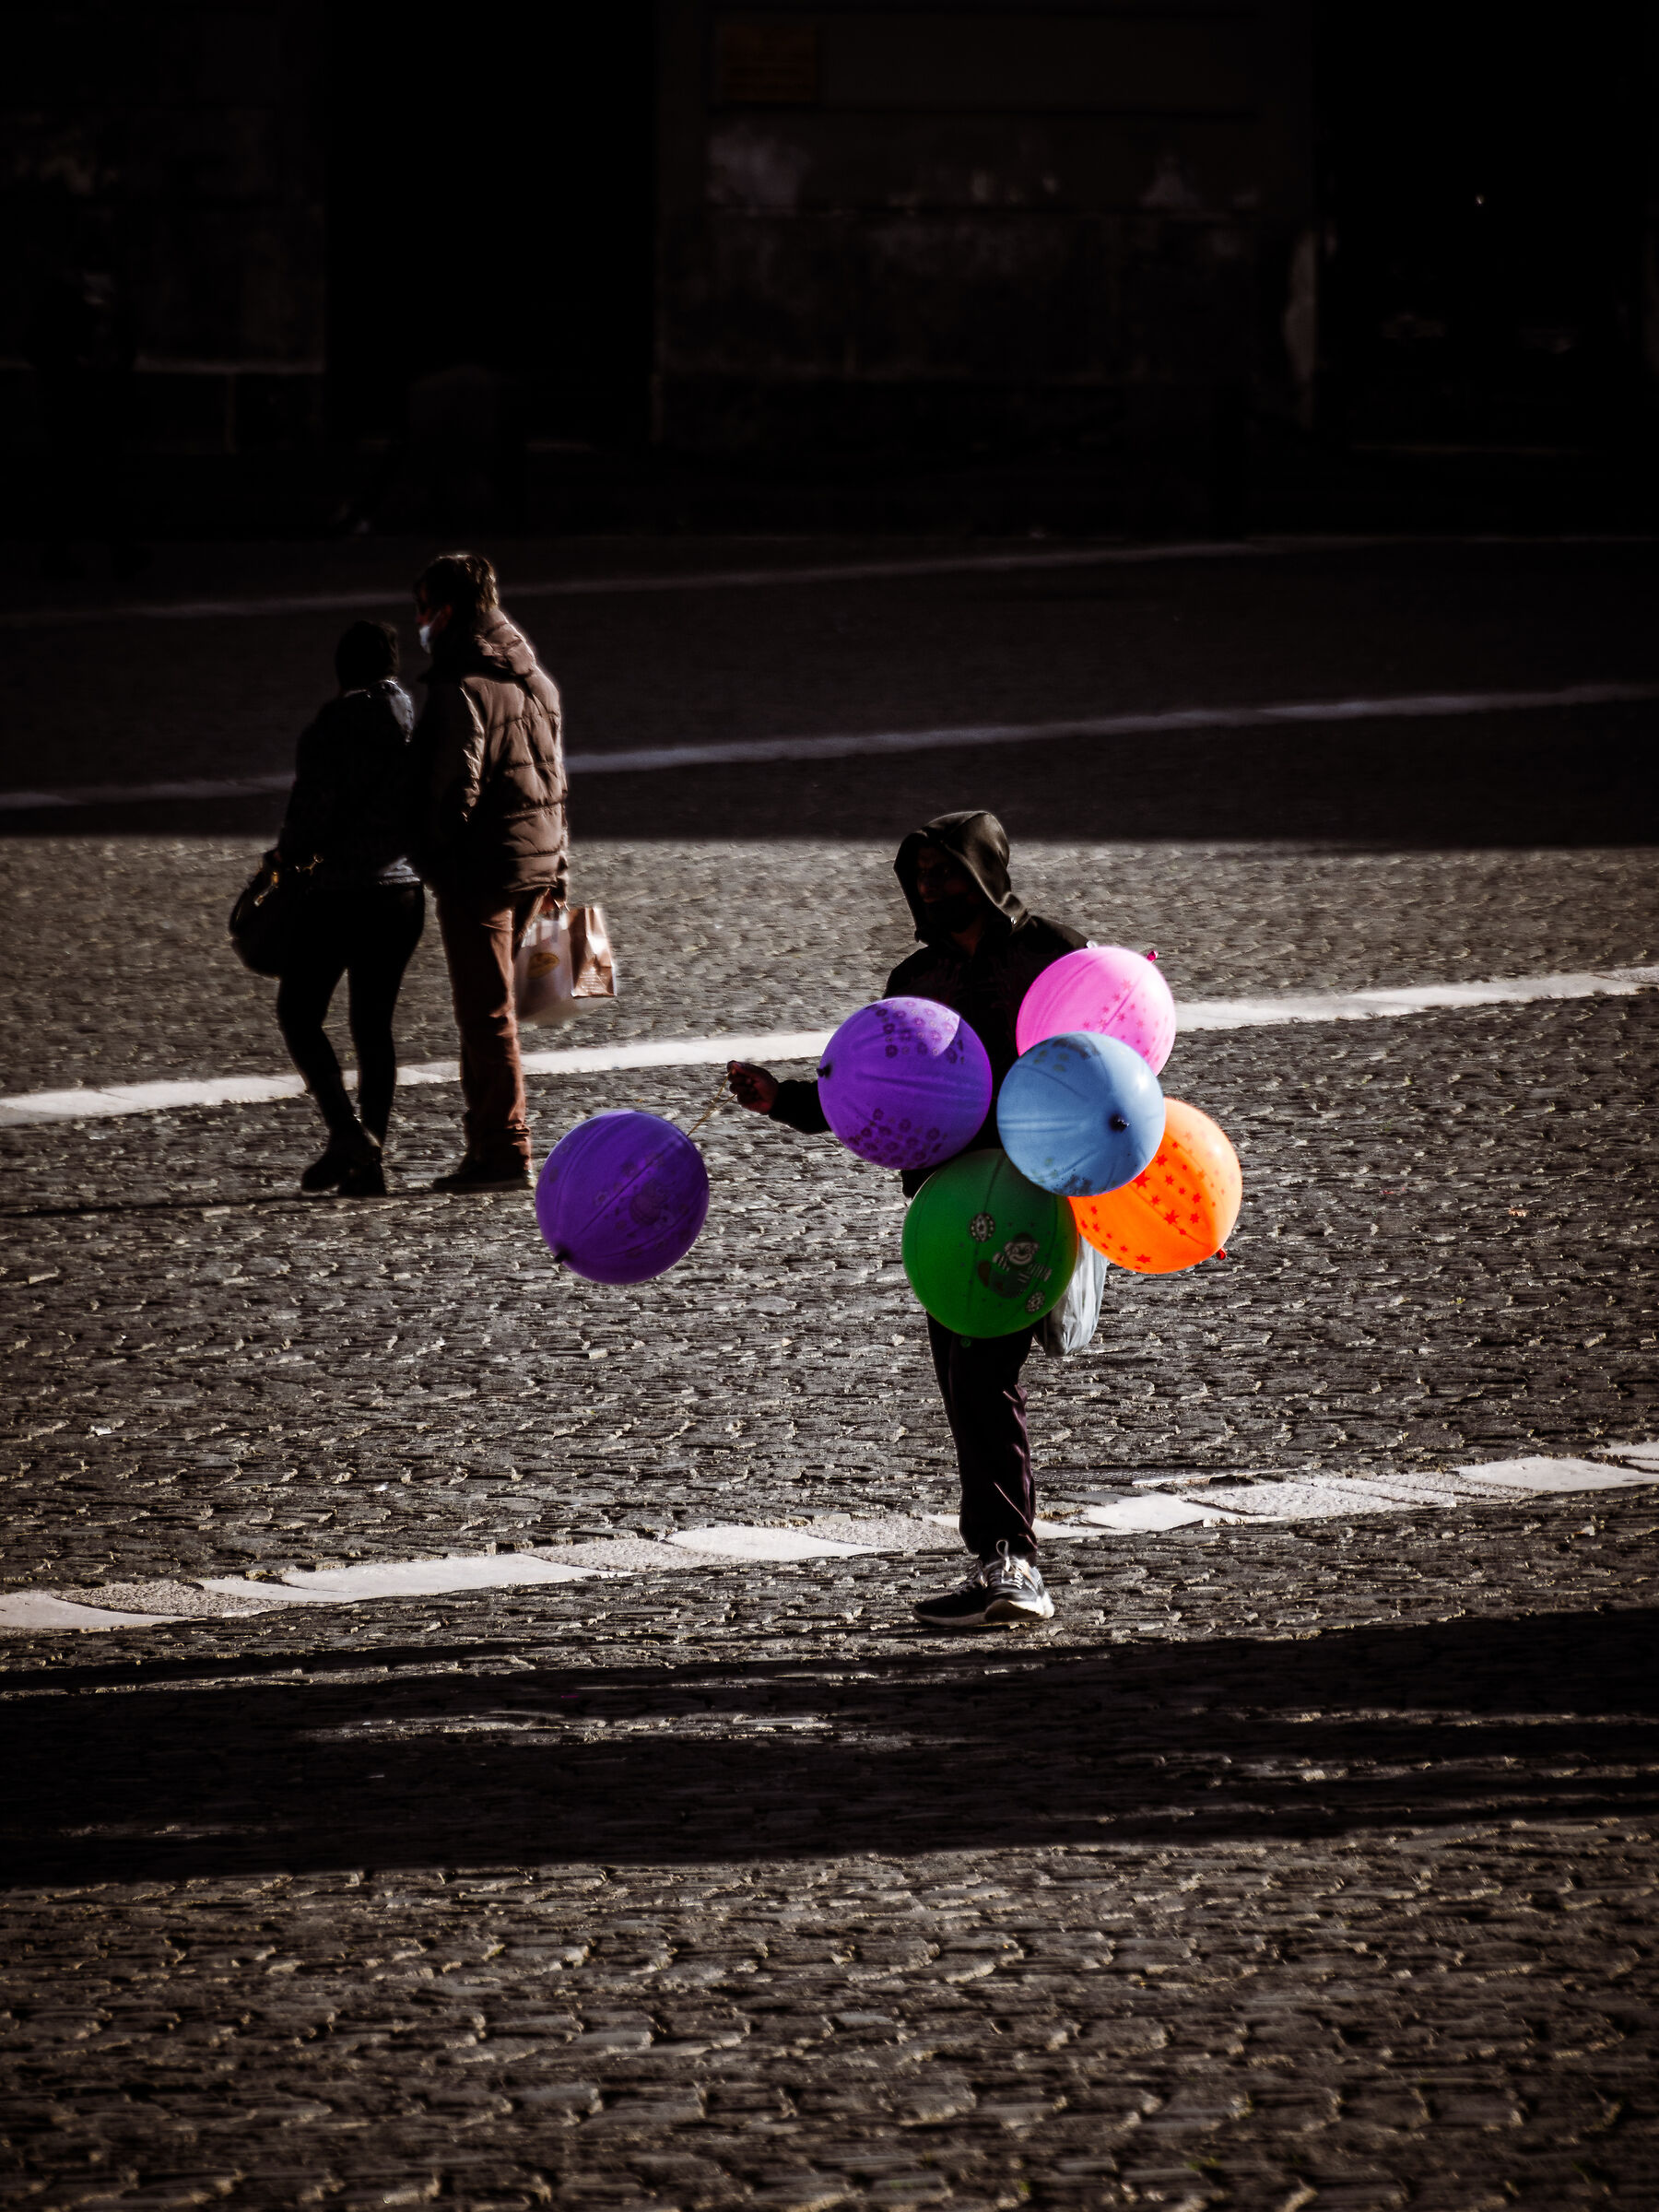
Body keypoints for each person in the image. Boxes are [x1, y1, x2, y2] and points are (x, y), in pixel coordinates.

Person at [729, 810, 1086, 1630]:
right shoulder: (914, 980)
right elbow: (882, 1095)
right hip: (948, 1207)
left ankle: (1012, 1563)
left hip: (1028, 1198)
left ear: (985, 871)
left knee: (981, 1376)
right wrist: (785, 1100)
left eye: (946, 869)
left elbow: (1108, 1060)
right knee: (964, 1381)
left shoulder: (1053, 954)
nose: (929, 885)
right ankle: (1002, 1561)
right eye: (920, 872)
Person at [408, 550, 567, 1190]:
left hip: (482, 870)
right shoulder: (536, 680)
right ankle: (486, 1142)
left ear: (446, 612)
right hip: (537, 861)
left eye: (424, 609)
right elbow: (555, 782)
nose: (420, 623)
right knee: (490, 1012)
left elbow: (454, 791)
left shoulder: (460, 689)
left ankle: (504, 1148)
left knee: (487, 1014)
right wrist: (559, 868)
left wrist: (431, 858)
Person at [275, 621, 426, 1197]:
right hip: (402, 893)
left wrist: (285, 858)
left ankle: (346, 1131)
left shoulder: (330, 728)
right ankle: (369, 1163)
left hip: (341, 893)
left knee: (298, 1012)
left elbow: (307, 821)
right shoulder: (412, 719)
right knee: (373, 1027)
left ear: (342, 669)